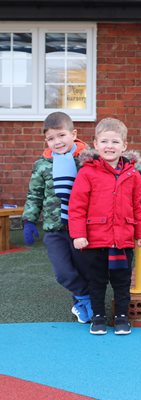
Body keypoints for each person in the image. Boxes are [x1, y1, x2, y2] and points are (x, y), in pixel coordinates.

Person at [69, 118, 141, 335]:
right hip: (95, 238)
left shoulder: (132, 174)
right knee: (97, 281)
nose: (109, 146)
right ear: (95, 144)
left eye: (115, 142)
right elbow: (77, 206)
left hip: (122, 239)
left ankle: (122, 317)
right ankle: (98, 317)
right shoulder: (87, 173)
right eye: (104, 141)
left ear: (124, 145)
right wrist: (78, 234)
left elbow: (139, 206)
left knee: (122, 281)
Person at [22, 111, 92, 323]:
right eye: (51, 138)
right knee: (63, 272)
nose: (57, 142)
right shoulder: (42, 165)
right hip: (55, 228)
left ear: (74, 134)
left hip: (82, 227)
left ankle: (81, 304)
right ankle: (84, 298)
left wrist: (134, 169)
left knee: (84, 269)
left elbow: (113, 162)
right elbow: (34, 194)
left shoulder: (87, 159)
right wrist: (29, 220)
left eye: (61, 135)